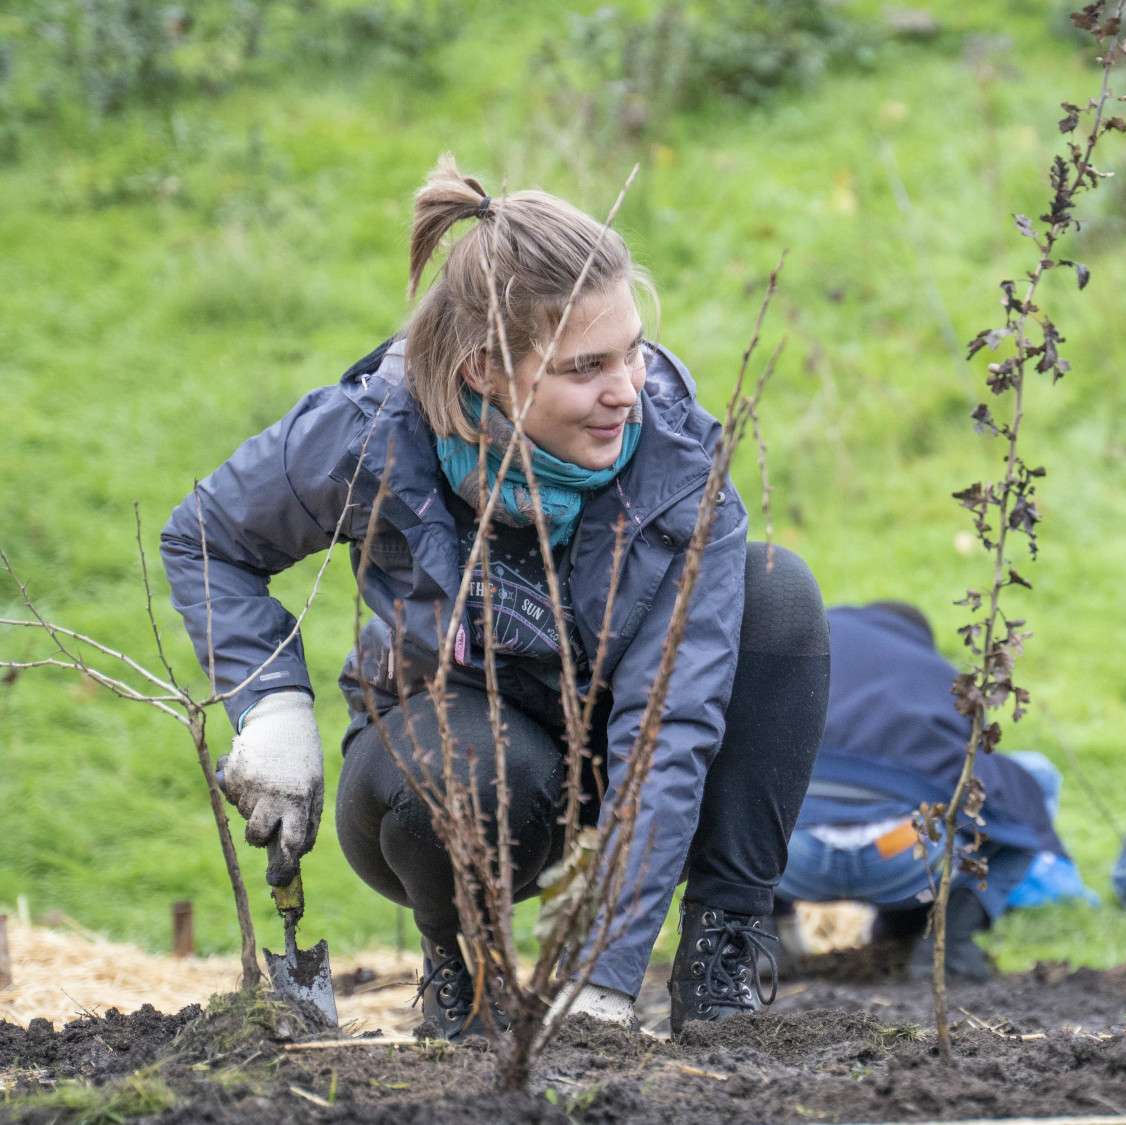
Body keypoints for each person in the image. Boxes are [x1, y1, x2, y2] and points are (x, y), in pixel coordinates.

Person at [159, 155, 830, 1040]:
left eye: (632, 351)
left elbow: (669, 728)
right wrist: (273, 705)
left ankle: (721, 960)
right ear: (484, 370)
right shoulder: (373, 429)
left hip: (614, 758)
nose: (625, 390)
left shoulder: (675, 468)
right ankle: (460, 974)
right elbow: (208, 537)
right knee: (462, 758)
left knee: (777, 595)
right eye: (585, 366)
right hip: (441, 770)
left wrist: (603, 979)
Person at [773, 602, 1076, 981]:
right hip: (903, 849)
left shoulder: (791, 659)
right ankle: (949, 949)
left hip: (787, 852)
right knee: (1018, 812)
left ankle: (758, 942)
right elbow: (1000, 795)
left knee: (741, 808)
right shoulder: (934, 674)